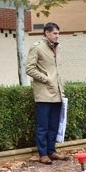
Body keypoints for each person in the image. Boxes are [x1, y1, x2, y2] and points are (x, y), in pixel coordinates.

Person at [25, 22, 69, 164]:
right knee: (42, 126)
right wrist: (46, 79)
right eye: (55, 33)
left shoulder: (57, 47)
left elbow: (58, 71)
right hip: (43, 93)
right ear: (47, 33)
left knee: (54, 125)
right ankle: (42, 154)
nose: (57, 36)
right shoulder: (37, 47)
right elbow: (29, 69)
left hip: (57, 93)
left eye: (58, 33)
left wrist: (61, 90)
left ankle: (52, 151)